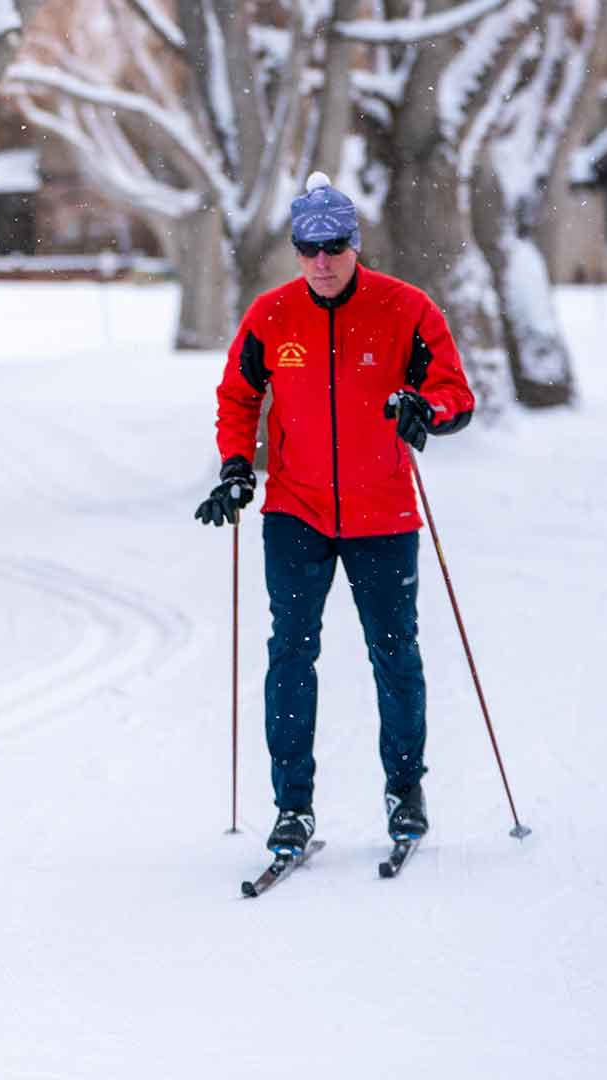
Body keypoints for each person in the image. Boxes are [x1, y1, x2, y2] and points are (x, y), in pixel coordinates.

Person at [193, 172, 475, 857]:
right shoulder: (271, 315)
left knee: (394, 655)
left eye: (335, 245)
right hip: (297, 510)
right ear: (295, 248)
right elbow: (237, 396)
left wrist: (424, 410)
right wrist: (236, 464)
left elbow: (455, 394)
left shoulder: (406, 310)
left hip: (384, 512)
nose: (322, 260)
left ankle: (404, 791)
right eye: (308, 247)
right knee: (290, 656)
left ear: (356, 243)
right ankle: (293, 807)